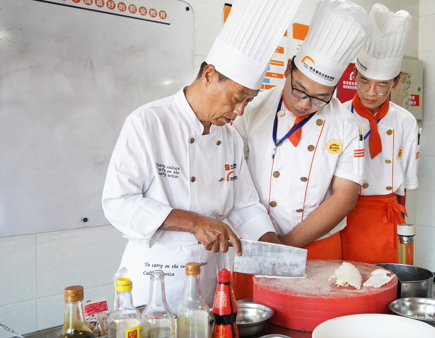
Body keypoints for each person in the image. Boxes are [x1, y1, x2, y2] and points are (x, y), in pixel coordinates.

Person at [101, 0, 301, 308]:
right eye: (238, 97)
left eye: (249, 100)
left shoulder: (230, 138)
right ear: (209, 75)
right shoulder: (149, 122)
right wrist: (193, 222)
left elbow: (244, 204)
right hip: (156, 278)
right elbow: (119, 202)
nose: (240, 110)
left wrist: (272, 247)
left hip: (210, 280)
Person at [232, 0, 372, 298]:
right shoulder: (251, 109)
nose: (305, 103)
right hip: (254, 240)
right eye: (299, 90)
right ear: (287, 69)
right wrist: (268, 242)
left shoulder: (347, 125)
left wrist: (286, 248)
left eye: (320, 98)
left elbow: (345, 197)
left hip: (319, 241)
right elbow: (234, 179)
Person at [340, 4, 418, 264]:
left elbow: (405, 183)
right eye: (364, 82)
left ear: (395, 83)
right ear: (354, 75)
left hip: (386, 214)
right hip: (343, 213)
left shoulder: (405, 120)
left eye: (382, 85)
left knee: (385, 279)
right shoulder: (337, 117)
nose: (371, 92)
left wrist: (403, 225)